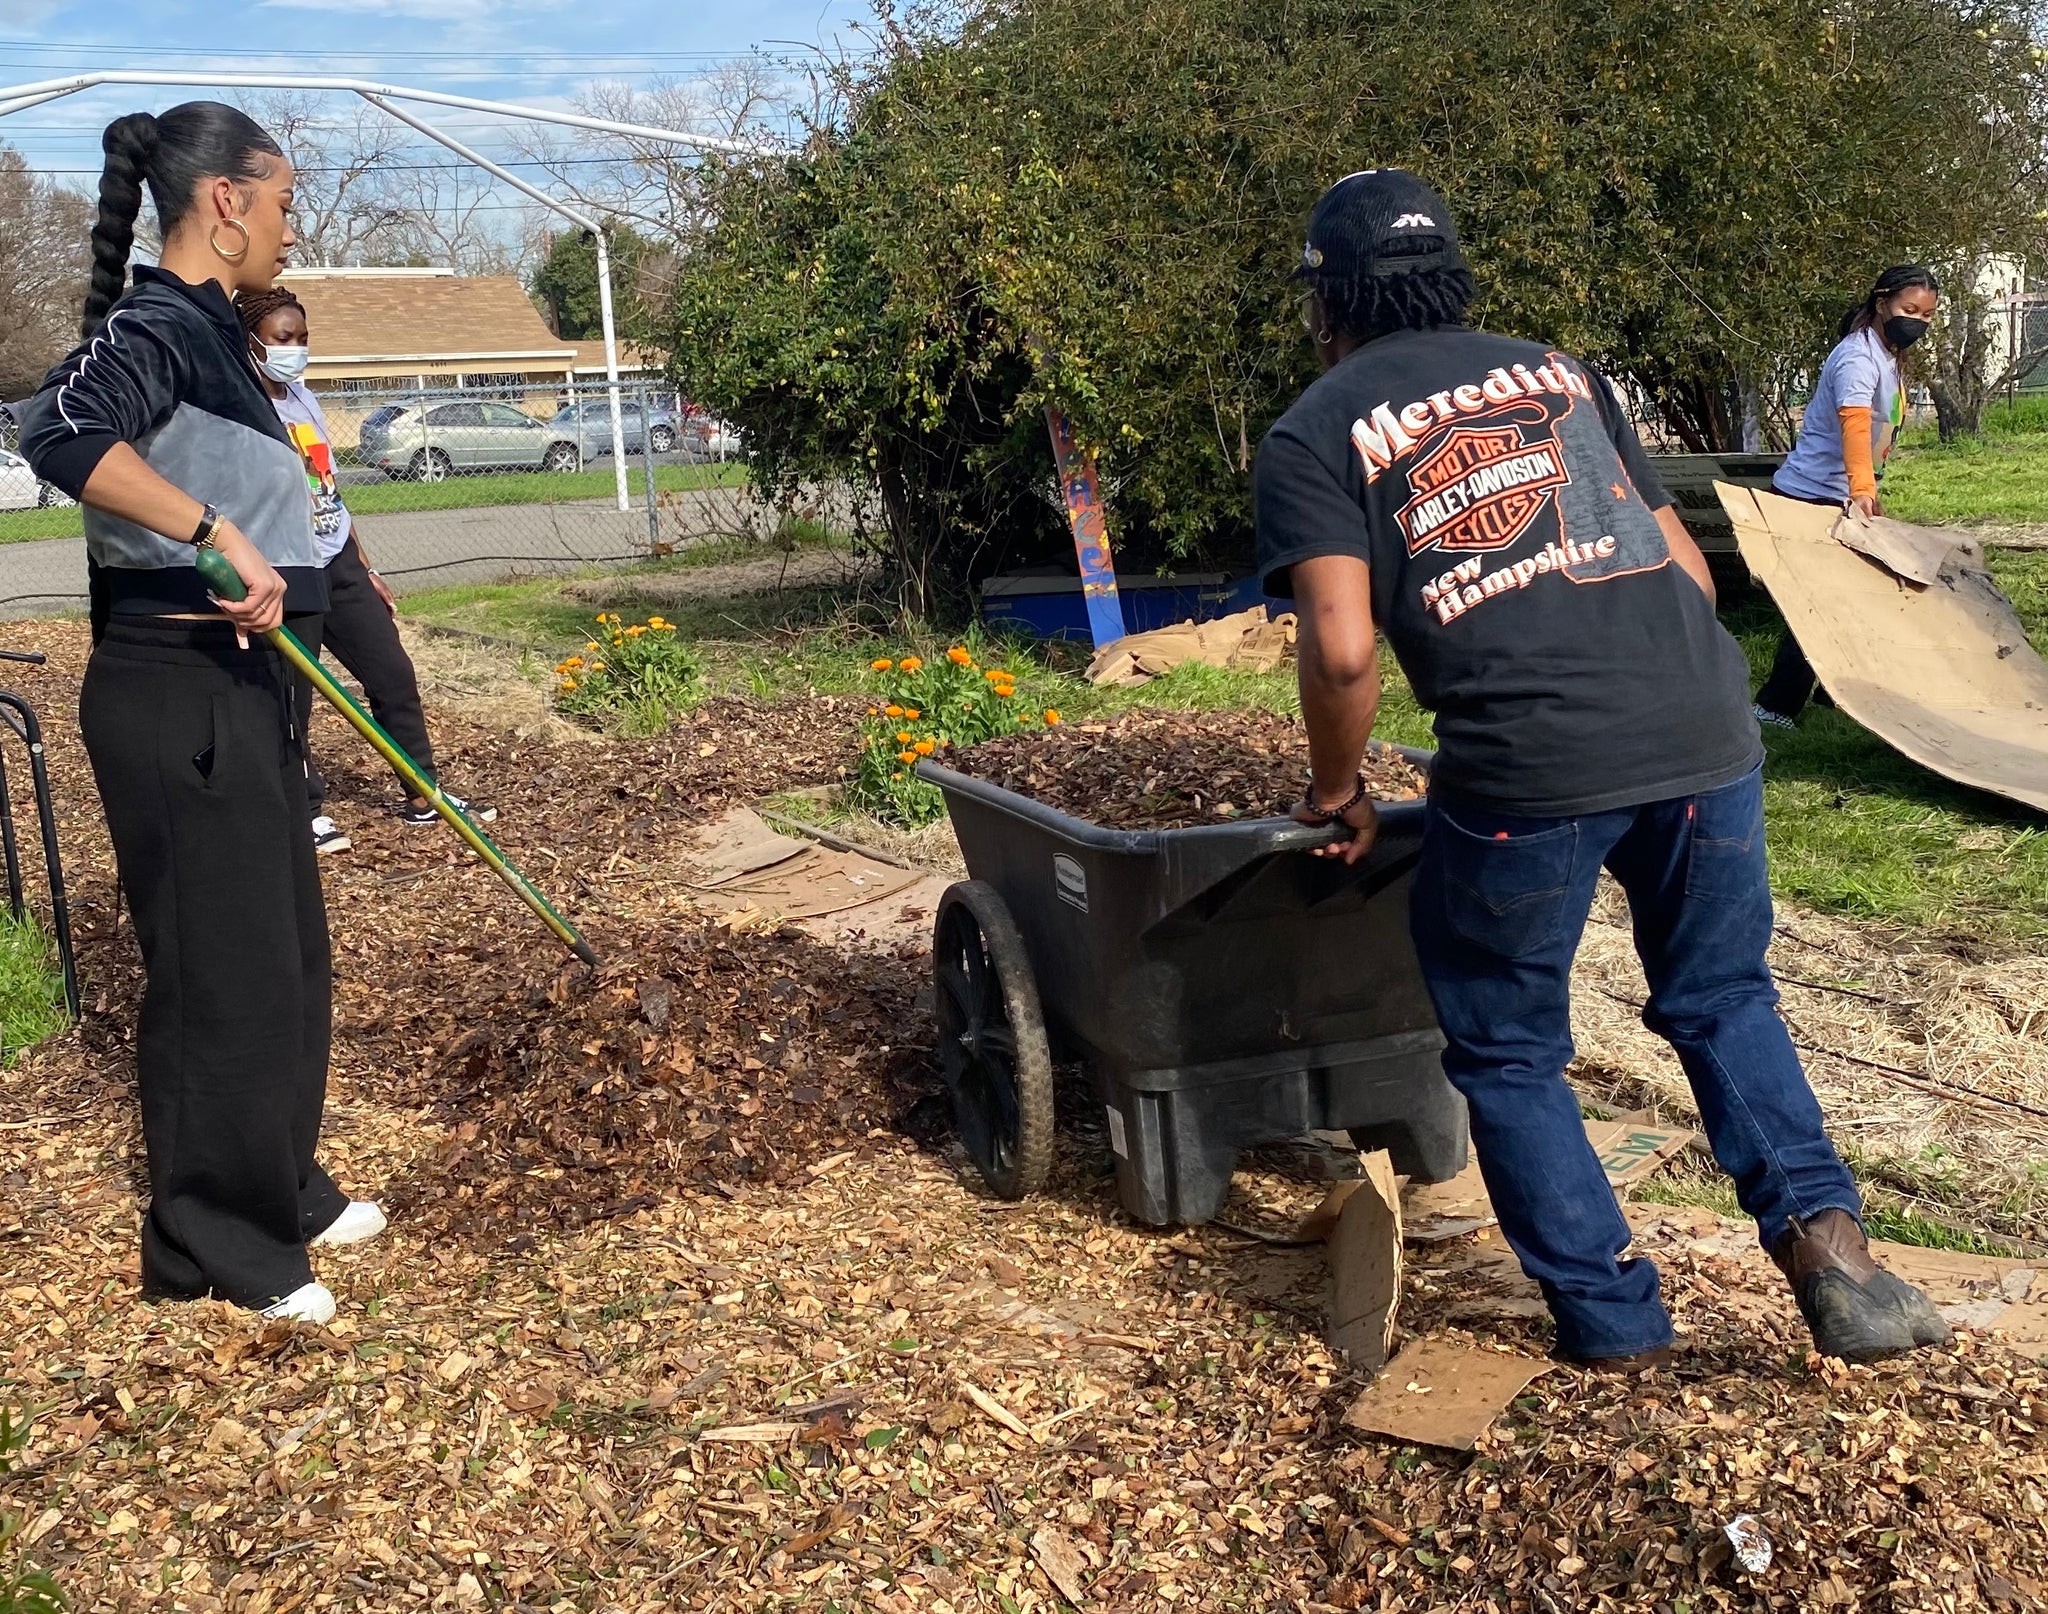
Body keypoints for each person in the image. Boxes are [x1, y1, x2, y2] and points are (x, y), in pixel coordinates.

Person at [1253, 169, 1948, 1366]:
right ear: (1453, 277)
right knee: (1721, 996)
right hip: (1703, 731)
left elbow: (1339, 646)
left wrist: (1335, 791)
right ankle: (1837, 1261)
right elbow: (1680, 566)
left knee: (1507, 1044)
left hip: (1527, 772)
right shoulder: (1559, 375)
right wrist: (1681, 695)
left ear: (1326, 306)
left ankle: (1613, 1321)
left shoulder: (1316, 429)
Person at [17, 103, 384, 1325]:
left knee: (284, 960)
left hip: (241, 688)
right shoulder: (158, 322)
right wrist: (211, 529)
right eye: (282, 203)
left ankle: (282, 1179)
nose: (291, 228)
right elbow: (58, 432)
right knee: (220, 977)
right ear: (225, 201)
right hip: (172, 699)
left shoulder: (218, 336)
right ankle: (211, 1237)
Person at [233, 285, 494, 853]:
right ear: (251, 340)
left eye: (301, 338)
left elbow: (327, 484)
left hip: (336, 558)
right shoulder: (239, 405)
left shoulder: (303, 398)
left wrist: (364, 562)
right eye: (283, 339)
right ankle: (302, 809)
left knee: (392, 675)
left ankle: (424, 792)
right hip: (286, 564)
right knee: (291, 696)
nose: (295, 349)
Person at [1753, 265, 1941, 727]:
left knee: (1855, 598)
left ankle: (1833, 695)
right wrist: (1861, 490)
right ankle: (1775, 706)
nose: (1917, 321)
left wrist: (1865, 491)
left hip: (1841, 495)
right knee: (1815, 607)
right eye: (1908, 310)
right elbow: (1855, 425)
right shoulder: (1857, 358)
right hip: (1809, 497)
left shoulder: (1886, 354)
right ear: (1881, 305)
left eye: (1927, 315)